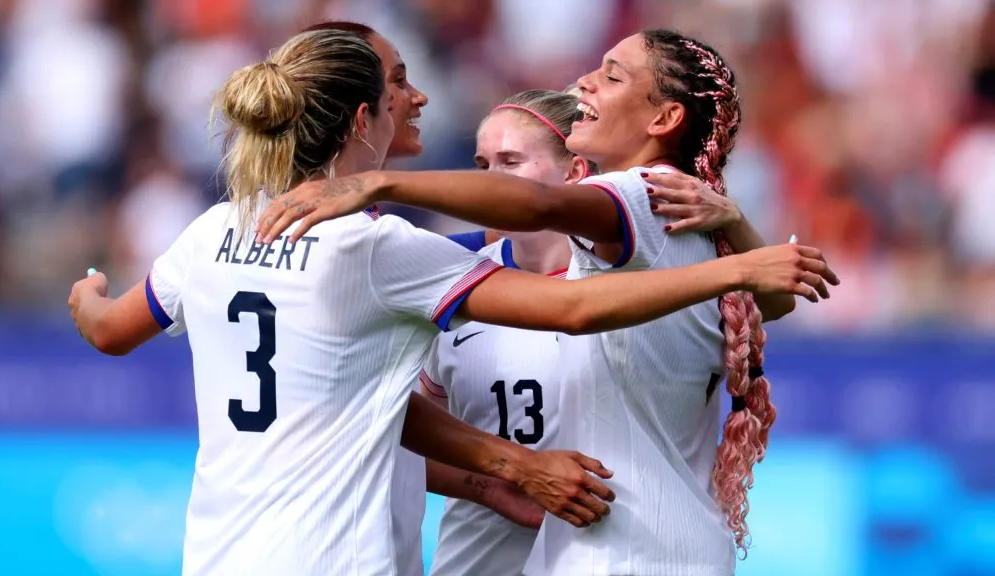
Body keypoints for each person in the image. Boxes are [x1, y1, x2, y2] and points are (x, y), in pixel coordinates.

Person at [254, 29, 837, 575]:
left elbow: (539, 210)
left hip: (621, 552)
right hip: (668, 548)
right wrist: (739, 233)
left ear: (664, 117)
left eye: (611, 76)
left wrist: (380, 184)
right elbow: (770, 305)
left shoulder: (639, 193)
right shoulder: (697, 221)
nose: (584, 81)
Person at [423, 88, 590, 576]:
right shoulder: (446, 283)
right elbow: (415, 437)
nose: (491, 182)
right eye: (483, 165)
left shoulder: (625, 287)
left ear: (574, 171)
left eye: (511, 161)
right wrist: (490, 486)